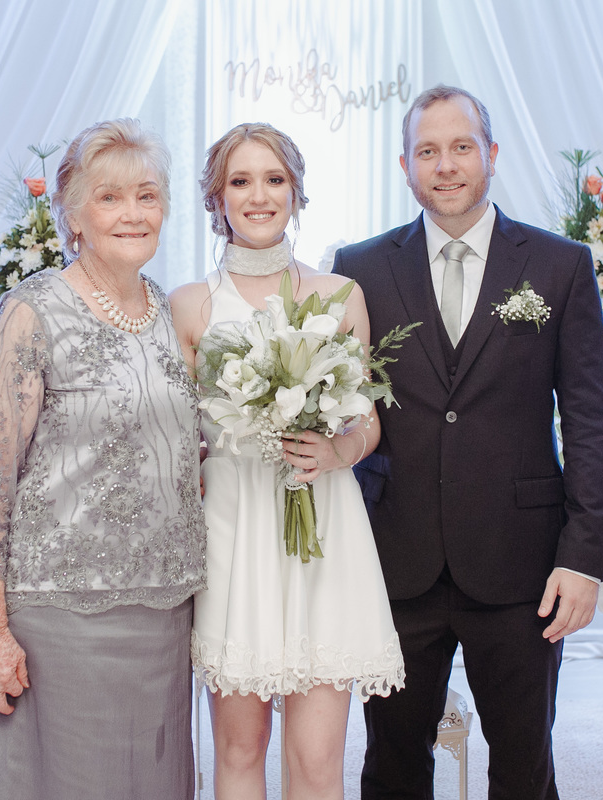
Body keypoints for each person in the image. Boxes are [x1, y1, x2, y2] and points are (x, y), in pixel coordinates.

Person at [333, 85, 603, 799]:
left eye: (461, 147)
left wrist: (582, 561)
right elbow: (345, 408)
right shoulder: (359, 269)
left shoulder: (559, 265)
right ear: (405, 166)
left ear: (490, 154)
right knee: (392, 765)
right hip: (398, 563)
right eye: (428, 151)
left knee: (524, 765)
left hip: (523, 569)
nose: (447, 164)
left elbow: (590, 420)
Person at [0, 118, 206, 800]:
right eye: (110, 197)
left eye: (147, 196)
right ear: (73, 214)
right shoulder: (33, 311)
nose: (132, 213)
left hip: (162, 618)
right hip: (58, 623)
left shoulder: (170, 313)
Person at [170, 122, 405, 800]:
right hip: (234, 536)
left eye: (274, 180)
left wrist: (339, 449)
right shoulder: (189, 306)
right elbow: (184, 438)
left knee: (317, 759)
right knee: (239, 753)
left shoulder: (340, 295)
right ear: (217, 199)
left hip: (323, 535)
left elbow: (368, 419)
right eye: (240, 181)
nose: (259, 196)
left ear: (297, 193)